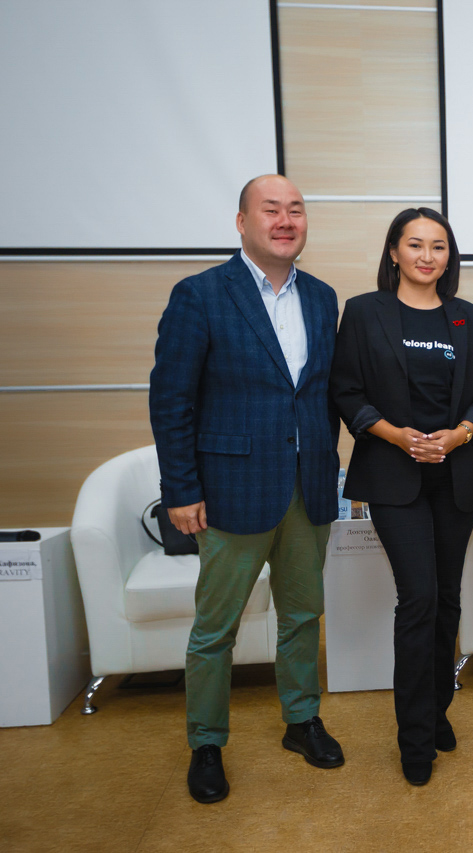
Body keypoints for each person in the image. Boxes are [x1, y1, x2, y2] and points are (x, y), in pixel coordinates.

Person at [150, 174, 343, 804]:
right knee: (217, 628)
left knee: (303, 615)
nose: (286, 221)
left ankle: (301, 720)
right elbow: (171, 400)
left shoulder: (323, 298)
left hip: (309, 487)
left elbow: (322, 395)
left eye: (296, 210)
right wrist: (180, 489)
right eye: (271, 210)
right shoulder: (201, 294)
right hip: (232, 490)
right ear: (241, 222)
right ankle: (206, 742)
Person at [329, 208, 473, 786]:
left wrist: (460, 435)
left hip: (456, 474)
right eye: (416, 244)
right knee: (419, 598)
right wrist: (396, 436)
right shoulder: (364, 312)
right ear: (394, 252)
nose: (428, 256)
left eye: (439, 246)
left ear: (449, 257)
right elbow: (346, 390)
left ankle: (437, 709)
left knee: (448, 599)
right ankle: (414, 737)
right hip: (393, 475)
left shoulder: (468, 318)